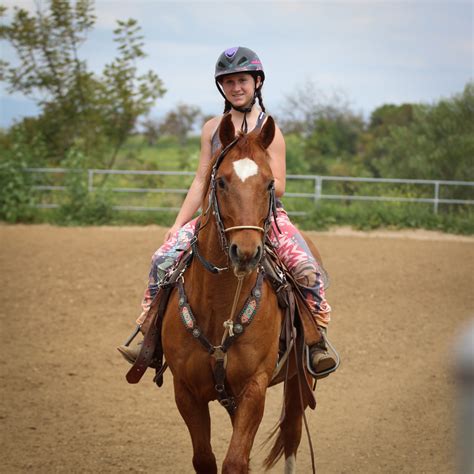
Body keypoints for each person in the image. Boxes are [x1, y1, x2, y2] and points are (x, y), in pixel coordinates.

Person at [117, 46, 336, 377]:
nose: (237, 87)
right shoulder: (212, 129)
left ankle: (316, 340)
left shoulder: (271, 131)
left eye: (243, 80)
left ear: (257, 82)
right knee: (161, 260)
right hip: (217, 215)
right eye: (229, 81)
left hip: (265, 216)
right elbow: (200, 179)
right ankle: (150, 337)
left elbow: (279, 186)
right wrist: (178, 224)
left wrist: (247, 183)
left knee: (306, 268)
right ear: (222, 87)